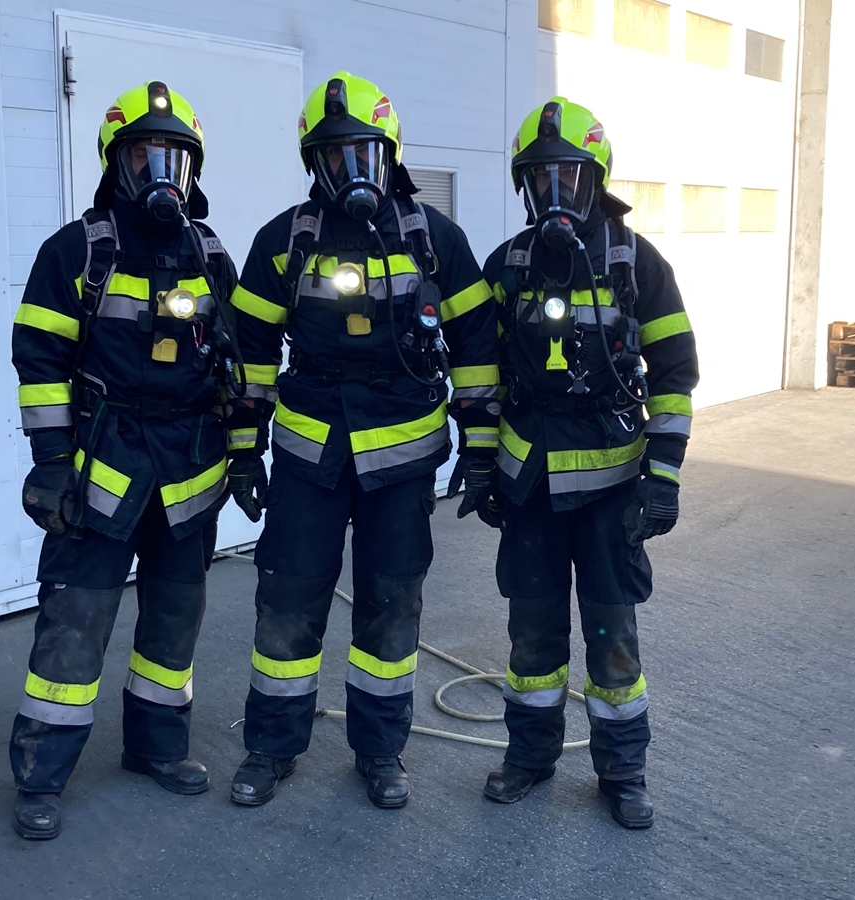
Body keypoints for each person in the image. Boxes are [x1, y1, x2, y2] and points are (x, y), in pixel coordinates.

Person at [223, 72, 500, 809]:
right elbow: (249, 354)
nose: (352, 169)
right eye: (335, 155)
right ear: (314, 164)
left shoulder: (434, 240)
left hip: (402, 465)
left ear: (391, 155)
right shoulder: (284, 240)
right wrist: (244, 449)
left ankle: (380, 751)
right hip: (310, 458)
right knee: (287, 600)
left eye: (365, 153)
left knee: (390, 605)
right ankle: (270, 747)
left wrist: (480, 447)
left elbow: (477, 345)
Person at [8, 82, 240, 840]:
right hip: (98, 475)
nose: (160, 170)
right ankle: (40, 777)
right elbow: (39, 361)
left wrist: (243, 454)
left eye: (175, 155)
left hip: (188, 473)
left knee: (174, 622)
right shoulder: (77, 250)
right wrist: (50, 462)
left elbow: (238, 363)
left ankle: (156, 748)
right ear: (117, 162)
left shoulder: (210, 254)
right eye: (145, 154)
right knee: (74, 625)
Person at [478, 98, 699, 828]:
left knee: (612, 644)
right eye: (540, 177)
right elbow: (479, 376)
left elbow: (675, 375)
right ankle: (529, 756)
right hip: (531, 487)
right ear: (525, 184)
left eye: (568, 175)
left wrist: (663, 478)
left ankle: (623, 774)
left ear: (595, 179)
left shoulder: (638, 263)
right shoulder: (507, 266)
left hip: (610, 491)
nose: (554, 191)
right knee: (532, 638)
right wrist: (480, 466)